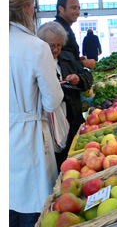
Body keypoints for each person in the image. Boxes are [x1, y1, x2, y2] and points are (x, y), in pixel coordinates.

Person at [9, 0, 64, 226]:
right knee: (34, 210)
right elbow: (52, 102)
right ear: (25, 7)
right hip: (29, 139)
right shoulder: (35, 47)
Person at [38, 22, 93, 170]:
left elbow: (87, 75)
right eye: (51, 45)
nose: (56, 49)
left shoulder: (67, 57)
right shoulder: (37, 62)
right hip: (51, 123)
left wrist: (78, 79)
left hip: (73, 117)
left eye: (59, 45)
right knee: (60, 163)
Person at [54, 0, 96, 69]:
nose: (77, 12)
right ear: (61, 9)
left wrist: (78, 59)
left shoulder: (65, 28)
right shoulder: (56, 30)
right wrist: (83, 63)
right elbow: (60, 62)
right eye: (73, 8)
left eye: (79, 8)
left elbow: (66, 56)